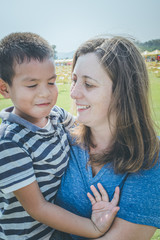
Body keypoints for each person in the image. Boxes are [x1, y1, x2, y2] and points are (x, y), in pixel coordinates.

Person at [0, 32, 120, 240]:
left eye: (51, 82)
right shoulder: (10, 142)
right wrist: (93, 228)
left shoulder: (56, 115)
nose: (45, 93)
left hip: (56, 231)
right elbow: (38, 208)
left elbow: (88, 131)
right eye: (32, 85)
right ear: (4, 88)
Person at [53, 36, 160, 240]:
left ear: (123, 93)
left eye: (89, 84)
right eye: (74, 81)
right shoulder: (62, 137)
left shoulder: (151, 157)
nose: (74, 94)